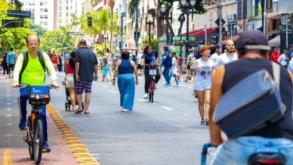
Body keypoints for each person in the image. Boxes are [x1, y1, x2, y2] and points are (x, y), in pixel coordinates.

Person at [209, 30, 293, 165]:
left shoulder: (223, 71)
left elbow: (214, 111)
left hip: (243, 144)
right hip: (284, 144)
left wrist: (216, 140)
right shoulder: (286, 73)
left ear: (238, 53)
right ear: (267, 53)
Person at [12, 34, 59, 152]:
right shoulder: (23, 56)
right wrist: (16, 81)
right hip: (25, 86)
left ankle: (45, 143)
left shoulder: (43, 56)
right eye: (30, 43)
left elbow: (51, 68)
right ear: (27, 44)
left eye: (35, 43)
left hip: (40, 88)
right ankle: (23, 119)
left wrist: (53, 80)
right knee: (22, 95)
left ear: (39, 44)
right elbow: (17, 69)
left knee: (43, 115)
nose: (33, 46)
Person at [190, 45, 214, 125]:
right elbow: (191, 68)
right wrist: (195, 68)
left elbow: (215, 70)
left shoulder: (211, 62)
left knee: (208, 102)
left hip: (209, 83)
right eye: (206, 51)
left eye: (208, 51)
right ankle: (202, 118)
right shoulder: (198, 61)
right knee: (201, 102)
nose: (208, 52)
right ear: (201, 53)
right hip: (199, 83)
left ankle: (208, 118)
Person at [74, 39, 98, 114]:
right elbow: (95, 64)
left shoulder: (78, 52)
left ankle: (80, 107)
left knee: (78, 92)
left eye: (78, 44)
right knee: (88, 91)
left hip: (80, 76)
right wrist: (96, 74)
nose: (77, 46)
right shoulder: (92, 53)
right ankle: (86, 109)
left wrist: (76, 73)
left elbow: (77, 63)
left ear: (81, 44)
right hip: (89, 76)